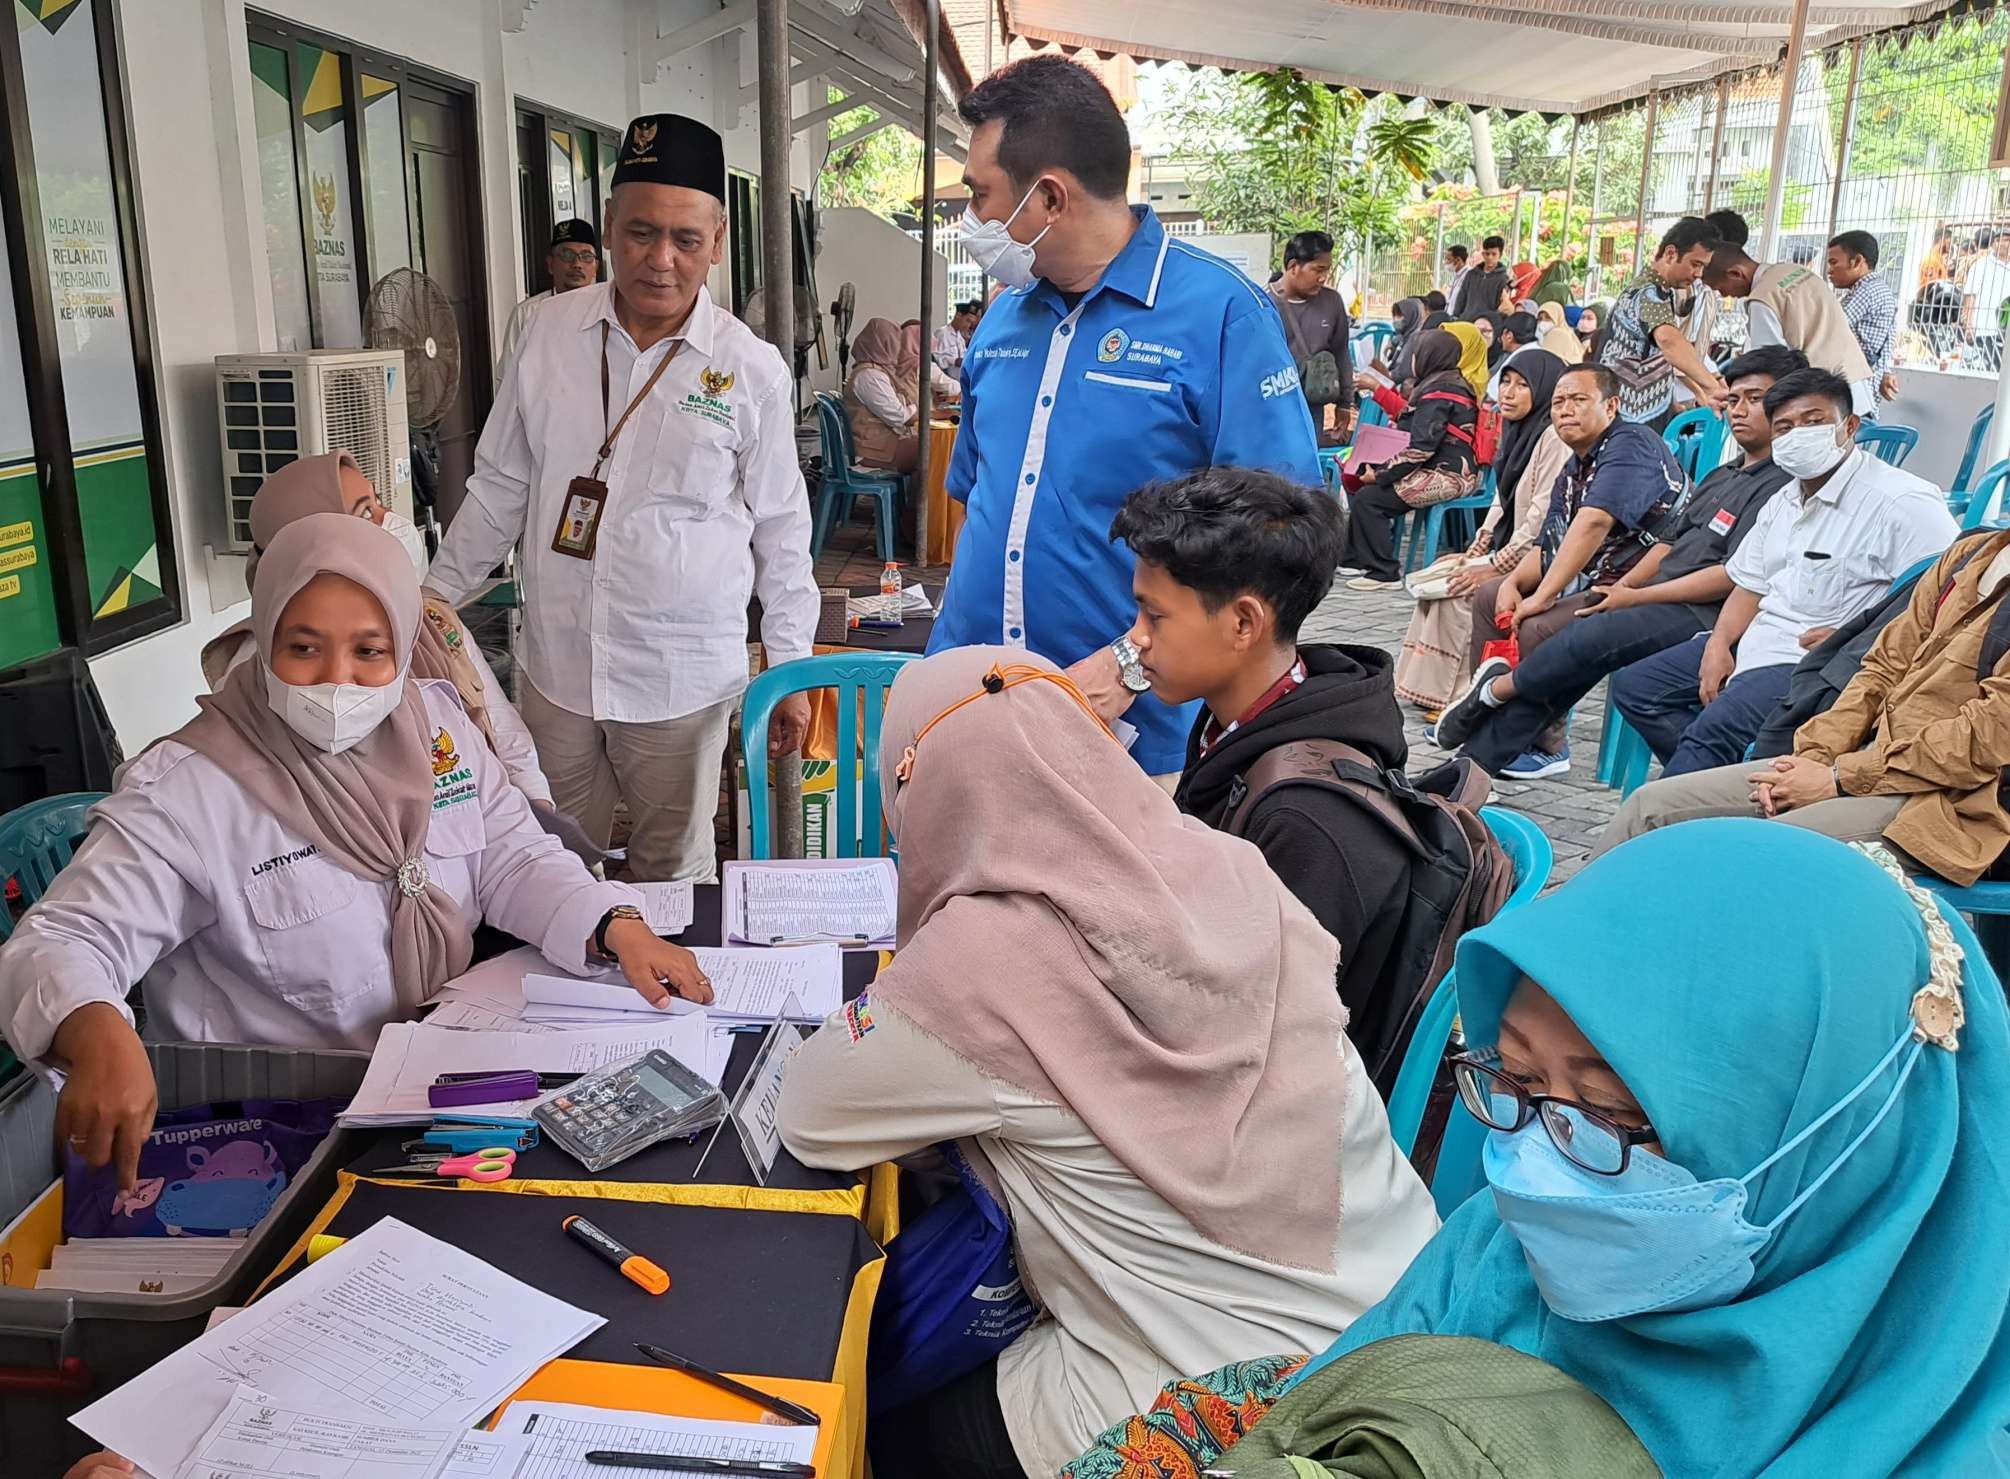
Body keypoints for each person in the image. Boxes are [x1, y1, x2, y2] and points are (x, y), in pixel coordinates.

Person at [776, 646, 1440, 1479]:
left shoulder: (985, 961)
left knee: (885, 1419)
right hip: (1408, 1321)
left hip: (1218, 1400)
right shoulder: (1228, 868)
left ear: (924, 788)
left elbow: (810, 1111)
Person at [1192, 822, 2010, 1479]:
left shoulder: (1903, 1434)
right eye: (1513, 1077)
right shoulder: (1499, 1254)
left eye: (1611, 1117)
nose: (1536, 1166)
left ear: (1832, 1141)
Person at [0, 516, 712, 1190]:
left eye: (369, 650)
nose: (335, 679)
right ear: (265, 634)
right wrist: (94, 1031)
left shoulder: (432, 725)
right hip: (286, 1132)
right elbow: (61, 939)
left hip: (444, 1086)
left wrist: (615, 923)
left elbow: (509, 852)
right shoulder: (190, 790)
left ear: (402, 646)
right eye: (303, 647)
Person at [424, 113, 817, 882]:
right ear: (607, 225)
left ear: (717, 240)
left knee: (672, 867)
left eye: (686, 239)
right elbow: (501, 482)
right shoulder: (546, 334)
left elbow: (781, 528)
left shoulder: (750, 370)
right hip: (557, 670)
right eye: (640, 233)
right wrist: (430, 600)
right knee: (551, 860)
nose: (661, 260)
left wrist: (793, 663)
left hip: (681, 679)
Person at [932, 55, 1319, 782]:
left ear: (1048, 198)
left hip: (1124, 732)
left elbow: (1283, 533)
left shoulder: (1221, 314)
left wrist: (1130, 665)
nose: (972, 218)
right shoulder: (1004, 320)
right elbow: (979, 494)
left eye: (980, 193)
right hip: (972, 705)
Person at [1109, 469, 1422, 1060]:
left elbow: (1261, 1034)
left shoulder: (1306, 819)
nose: (1136, 640)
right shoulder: (1243, 722)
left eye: (1155, 616)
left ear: (1244, 624)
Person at [1435, 348, 1803, 777]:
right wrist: (1627, 589)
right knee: (1569, 654)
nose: (1739, 410)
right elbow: (1668, 544)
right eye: (1734, 399)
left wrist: (1635, 595)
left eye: (1755, 399)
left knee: (1581, 640)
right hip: (1650, 591)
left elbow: (1731, 576)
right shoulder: (1724, 475)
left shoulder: (1781, 485)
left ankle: (1495, 694)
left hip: (1699, 609)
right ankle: (1473, 763)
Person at [1599, 519, 2010, 879]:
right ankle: (1556, 958)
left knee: (1750, 855)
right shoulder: (1970, 553)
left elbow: (1979, 743)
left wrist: (1837, 779)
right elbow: (1880, 667)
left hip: (1953, 804)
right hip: (1863, 760)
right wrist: (1815, 756)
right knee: (1648, 808)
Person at [1609, 367, 1954, 776]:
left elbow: (1951, 592)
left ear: (1850, 426)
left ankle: (1687, 806)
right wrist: (1718, 644)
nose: (1798, 435)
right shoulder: (1783, 500)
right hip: (1758, 644)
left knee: (1710, 734)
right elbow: (1750, 584)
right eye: (1785, 426)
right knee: (1638, 687)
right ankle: (1726, 787)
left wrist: (1863, 639)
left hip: (1818, 665)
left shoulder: (1900, 503)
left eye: (1813, 422)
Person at [200, 453, 553, 817]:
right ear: (311, 542)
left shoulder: (432, 617)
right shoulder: (257, 669)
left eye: (378, 502)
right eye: (365, 513)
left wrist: (535, 805)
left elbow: (500, 725)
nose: (389, 519)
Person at [1455, 364, 1687, 778]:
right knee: (1492, 596)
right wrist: (1512, 583)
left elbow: (1593, 522)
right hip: (1603, 578)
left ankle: (1548, 745)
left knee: (1539, 626)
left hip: (1647, 584)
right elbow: (1551, 542)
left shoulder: (1631, 444)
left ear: (1611, 406)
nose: (1565, 410)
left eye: (1579, 400)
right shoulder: (1577, 463)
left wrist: (1541, 597)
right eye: (1559, 402)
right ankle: (1488, 718)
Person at [1394, 350, 1570, 713]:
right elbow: (1502, 499)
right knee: (1447, 572)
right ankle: (1427, 689)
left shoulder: (1554, 438)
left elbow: (1541, 514)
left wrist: (1496, 564)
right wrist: (1481, 544)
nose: (1508, 392)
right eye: (1506, 381)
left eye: (1522, 386)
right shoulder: (1519, 431)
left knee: (1464, 591)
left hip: (1541, 558)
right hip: (1512, 548)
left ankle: (1461, 692)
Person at [1335, 329, 1480, 590]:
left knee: (1371, 498)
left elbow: (1420, 449)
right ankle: (1354, 558)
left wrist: (1380, 474)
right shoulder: (1444, 383)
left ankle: (1383, 572)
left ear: (1428, 356)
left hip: (1449, 475)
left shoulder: (1440, 392)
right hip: (1436, 466)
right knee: (1361, 482)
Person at [1703, 246, 1876, 415]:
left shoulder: (1762, 299)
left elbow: (1769, 365)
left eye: (1720, 288)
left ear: (1735, 274)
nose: (1725, 296)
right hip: (1856, 386)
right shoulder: (1797, 271)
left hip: (1820, 403)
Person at [1598, 217, 1725, 428]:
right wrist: (1711, 387)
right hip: (1629, 420)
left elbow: (1651, 358)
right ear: (1671, 253)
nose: (1699, 274)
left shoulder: (1658, 292)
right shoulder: (1648, 293)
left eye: (1703, 267)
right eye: (1695, 264)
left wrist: (1673, 404)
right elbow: (1669, 341)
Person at [1266, 229, 1354, 447]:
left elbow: (1341, 352)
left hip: (1312, 404)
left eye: (1327, 270)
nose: (1323, 277)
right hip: (1270, 404)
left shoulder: (1332, 302)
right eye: (1318, 270)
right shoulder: (1263, 304)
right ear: (1293, 266)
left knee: (1306, 463)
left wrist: (1345, 403)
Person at [495, 218, 600, 387]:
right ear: (551, 264)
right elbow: (508, 382)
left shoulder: (610, 311)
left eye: (586, 256)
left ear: (596, 267)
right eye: (567, 255)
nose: (577, 264)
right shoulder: (527, 314)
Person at [1828, 230, 1899, 404]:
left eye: (1834, 262)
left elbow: (1830, 329)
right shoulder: (1879, 289)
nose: (1829, 270)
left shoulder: (1866, 292)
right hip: (1866, 388)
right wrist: (1884, 371)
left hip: (1854, 387)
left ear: (1858, 261)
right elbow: (1888, 340)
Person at [842, 317, 919, 473]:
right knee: (933, 451)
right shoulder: (870, 376)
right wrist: (917, 411)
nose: (898, 349)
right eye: (894, 343)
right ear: (882, 344)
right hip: (871, 450)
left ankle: (923, 496)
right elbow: (899, 416)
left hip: (880, 444)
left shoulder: (878, 372)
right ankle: (923, 497)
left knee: (934, 447)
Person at [1963, 228, 2010, 370]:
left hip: (2006, 333)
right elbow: (1970, 296)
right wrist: (1969, 326)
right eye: (2006, 240)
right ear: (1995, 242)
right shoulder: (1981, 266)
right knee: (1988, 372)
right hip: (1985, 331)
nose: (2008, 244)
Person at [1452, 235, 1509, 322]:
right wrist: (1456, 316)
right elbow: (1461, 297)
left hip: (1485, 325)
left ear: (1500, 255)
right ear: (1483, 254)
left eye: (1494, 254)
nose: (1490, 257)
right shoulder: (1471, 274)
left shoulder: (1503, 279)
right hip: (1465, 321)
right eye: (1487, 253)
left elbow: (1501, 305)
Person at [933, 300, 980, 374]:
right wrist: (954, 361)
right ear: (958, 315)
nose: (968, 325)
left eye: (971, 323)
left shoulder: (960, 338)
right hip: (946, 378)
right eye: (967, 320)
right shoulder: (942, 333)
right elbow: (935, 358)